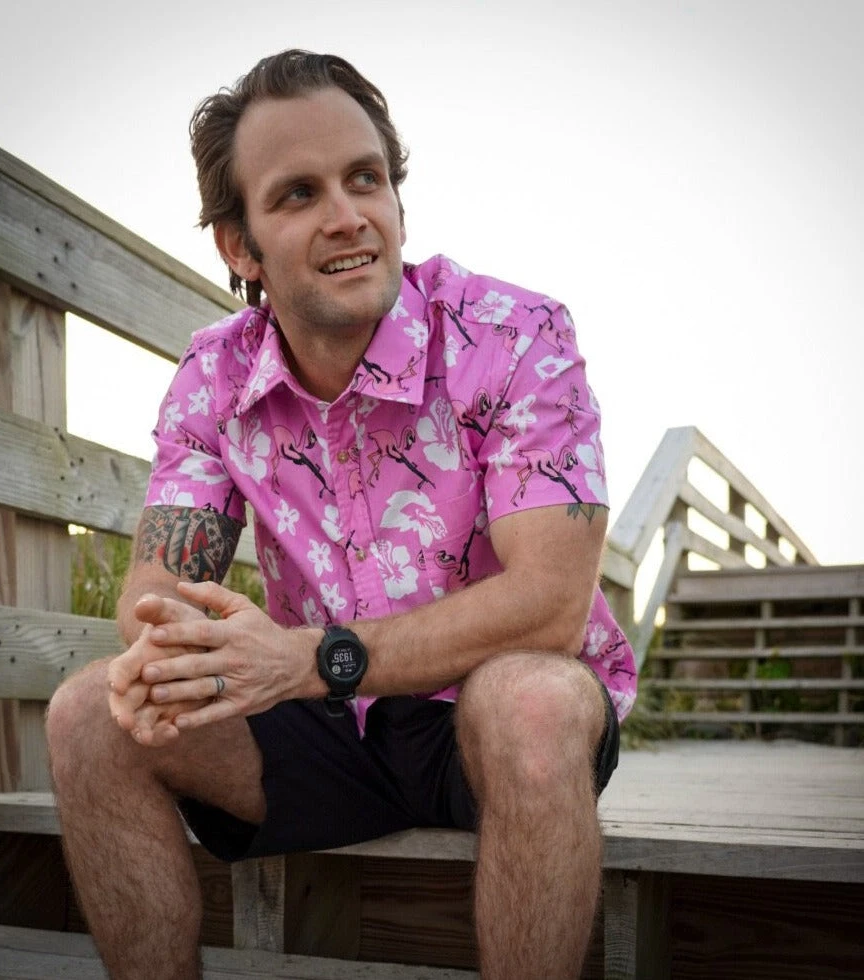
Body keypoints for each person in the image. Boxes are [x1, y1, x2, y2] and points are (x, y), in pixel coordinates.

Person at [46, 49, 636, 980]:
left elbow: (551, 607)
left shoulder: (517, 335)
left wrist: (307, 658)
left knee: (530, 700)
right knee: (89, 713)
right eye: (298, 194)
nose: (348, 216)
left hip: (490, 718)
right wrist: (199, 648)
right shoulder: (213, 375)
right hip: (326, 725)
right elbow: (154, 597)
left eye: (366, 179)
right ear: (240, 247)